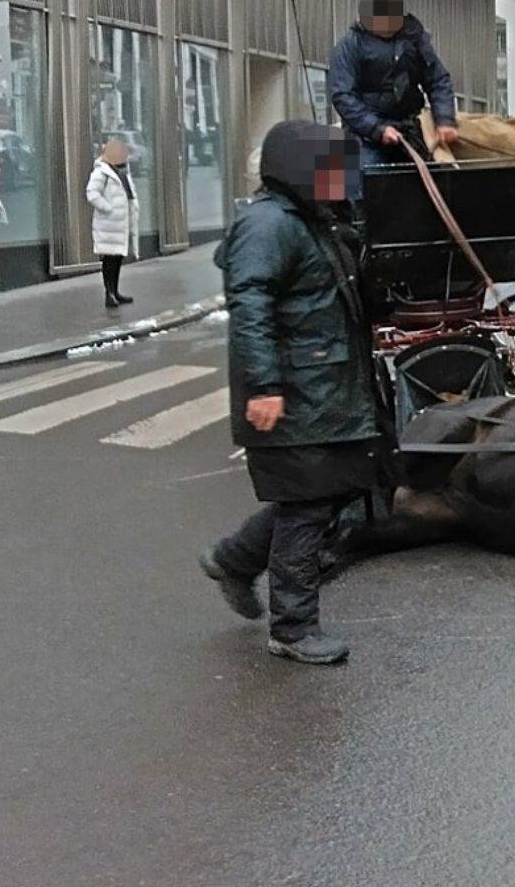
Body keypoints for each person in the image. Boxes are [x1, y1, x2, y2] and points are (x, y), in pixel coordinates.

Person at [199, 120, 380, 665]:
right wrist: (264, 386)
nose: (340, 181)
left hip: (322, 389)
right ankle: (294, 628)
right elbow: (250, 309)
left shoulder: (309, 220)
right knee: (306, 507)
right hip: (293, 393)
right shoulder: (268, 224)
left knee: (327, 493)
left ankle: (234, 559)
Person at [329, 0, 459, 169]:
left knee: (439, 175)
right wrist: (376, 129)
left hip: (411, 128)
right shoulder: (350, 44)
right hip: (365, 135)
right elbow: (343, 95)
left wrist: (445, 119)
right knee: (370, 178)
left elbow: (438, 80)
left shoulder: (416, 39)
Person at [85, 137, 139, 308]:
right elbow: (92, 194)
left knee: (117, 259)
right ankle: (109, 294)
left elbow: (129, 195)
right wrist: (108, 208)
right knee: (109, 260)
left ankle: (115, 291)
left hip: (120, 224)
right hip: (108, 224)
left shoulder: (123, 172)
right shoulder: (101, 172)